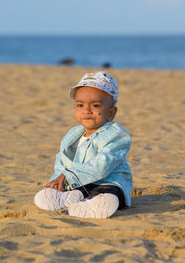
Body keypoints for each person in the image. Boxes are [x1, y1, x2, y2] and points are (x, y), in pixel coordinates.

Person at [34, 71, 133, 219]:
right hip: (79, 184)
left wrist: (68, 176)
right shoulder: (73, 135)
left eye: (95, 105)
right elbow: (63, 161)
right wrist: (57, 181)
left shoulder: (116, 135)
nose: (86, 110)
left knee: (110, 195)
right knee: (44, 196)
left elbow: (103, 164)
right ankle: (74, 198)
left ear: (111, 113)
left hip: (108, 182)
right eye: (80, 105)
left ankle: (94, 204)